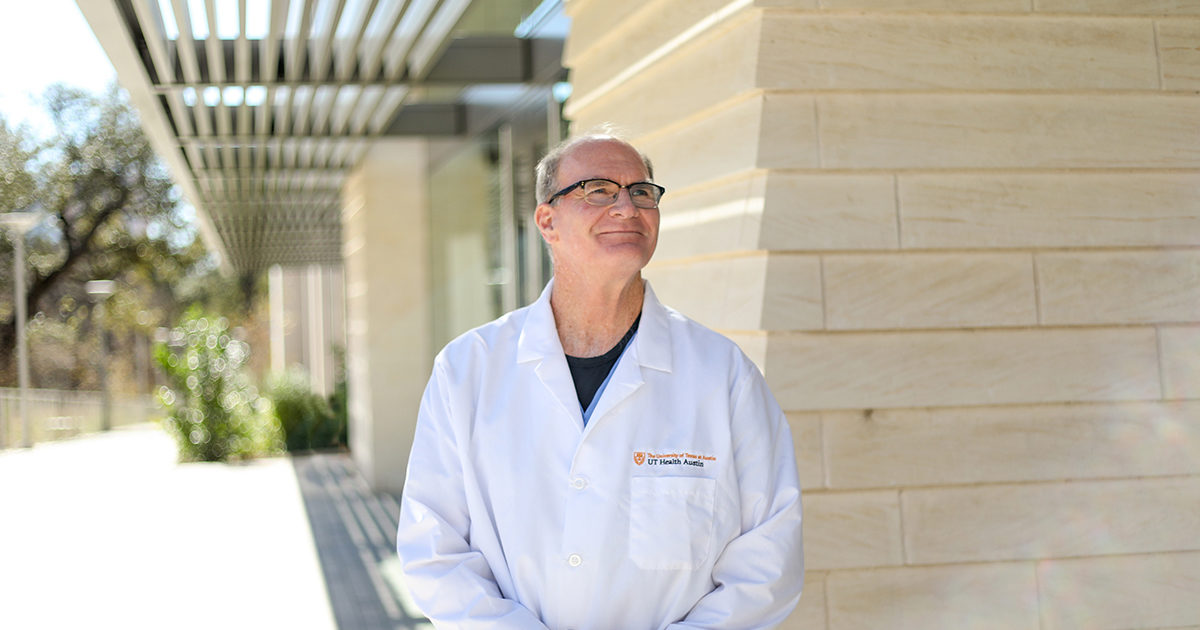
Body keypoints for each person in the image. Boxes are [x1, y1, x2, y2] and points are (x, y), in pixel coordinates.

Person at [395, 132, 804, 629]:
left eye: (642, 192)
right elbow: (433, 550)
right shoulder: (467, 370)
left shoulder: (723, 374)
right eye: (598, 191)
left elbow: (769, 559)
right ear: (547, 220)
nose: (627, 208)